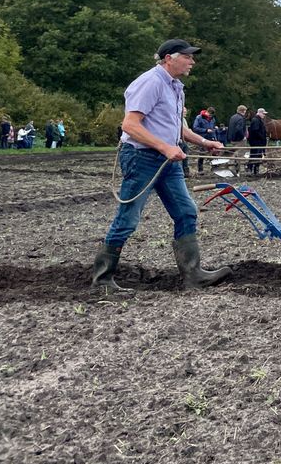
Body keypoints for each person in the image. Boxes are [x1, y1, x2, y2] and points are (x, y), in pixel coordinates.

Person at [93, 39, 231, 292]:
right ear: (169, 58)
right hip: (142, 157)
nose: (192, 62)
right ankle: (102, 280)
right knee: (128, 219)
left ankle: (194, 275)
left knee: (186, 211)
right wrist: (164, 147)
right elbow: (130, 125)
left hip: (167, 160)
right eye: (188, 57)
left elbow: (173, 126)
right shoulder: (151, 82)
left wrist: (203, 141)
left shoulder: (175, 87)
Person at [192, 107, 217, 173]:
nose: (210, 116)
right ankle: (200, 170)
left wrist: (215, 137)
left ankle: (214, 168)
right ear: (207, 112)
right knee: (202, 154)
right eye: (209, 115)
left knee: (214, 153)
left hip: (211, 138)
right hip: (202, 138)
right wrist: (205, 130)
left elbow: (213, 128)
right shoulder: (199, 118)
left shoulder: (213, 119)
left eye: (211, 115)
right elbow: (195, 128)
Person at [247, 108, 268, 174]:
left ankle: (256, 170)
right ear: (260, 113)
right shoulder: (256, 120)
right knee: (254, 155)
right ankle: (251, 169)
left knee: (258, 155)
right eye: (263, 114)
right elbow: (255, 131)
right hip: (256, 141)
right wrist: (262, 137)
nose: (264, 115)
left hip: (258, 141)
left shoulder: (258, 120)